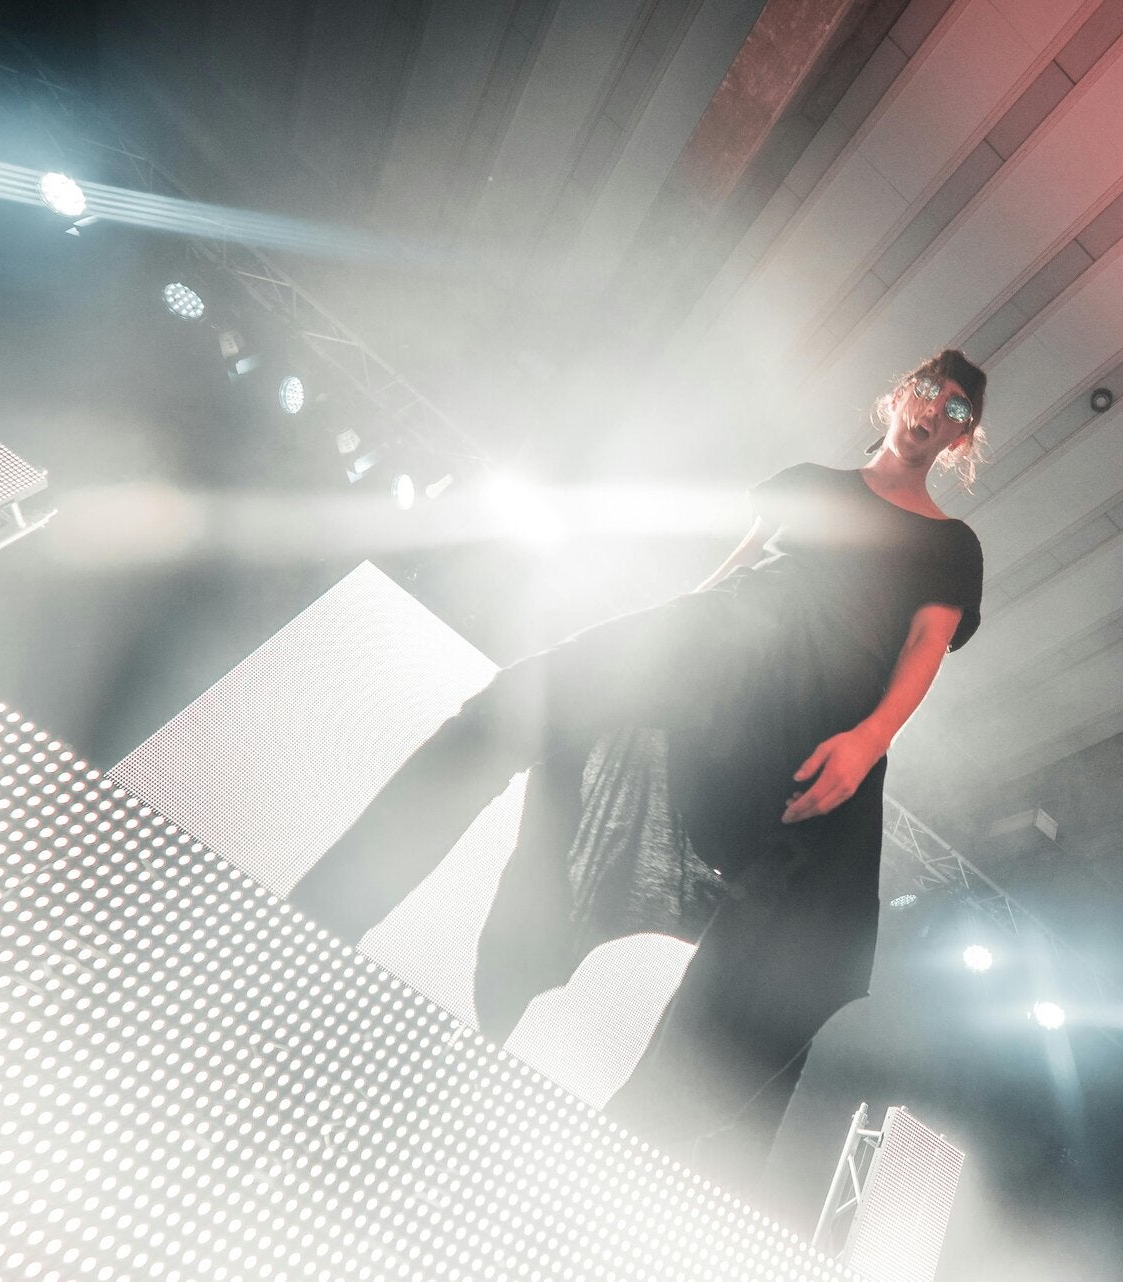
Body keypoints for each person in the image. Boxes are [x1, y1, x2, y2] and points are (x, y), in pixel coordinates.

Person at [291, 348, 989, 1192]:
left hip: (818, 721)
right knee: (510, 706)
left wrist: (870, 739)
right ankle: (319, 919)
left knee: (792, 940)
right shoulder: (807, 482)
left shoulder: (949, 545)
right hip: (721, 644)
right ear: (899, 396)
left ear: (961, 440)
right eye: (928, 391)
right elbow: (731, 575)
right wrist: (657, 651)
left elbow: (924, 647)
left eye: (957, 411)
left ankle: (633, 1159)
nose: (935, 411)